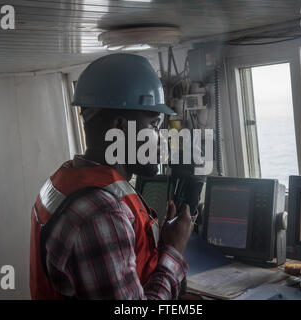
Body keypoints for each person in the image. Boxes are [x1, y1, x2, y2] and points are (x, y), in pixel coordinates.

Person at [29, 53, 194, 299]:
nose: (161, 139)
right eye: (153, 125)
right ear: (119, 126)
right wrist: (173, 252)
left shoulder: (66, 179)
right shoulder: (102, 214)